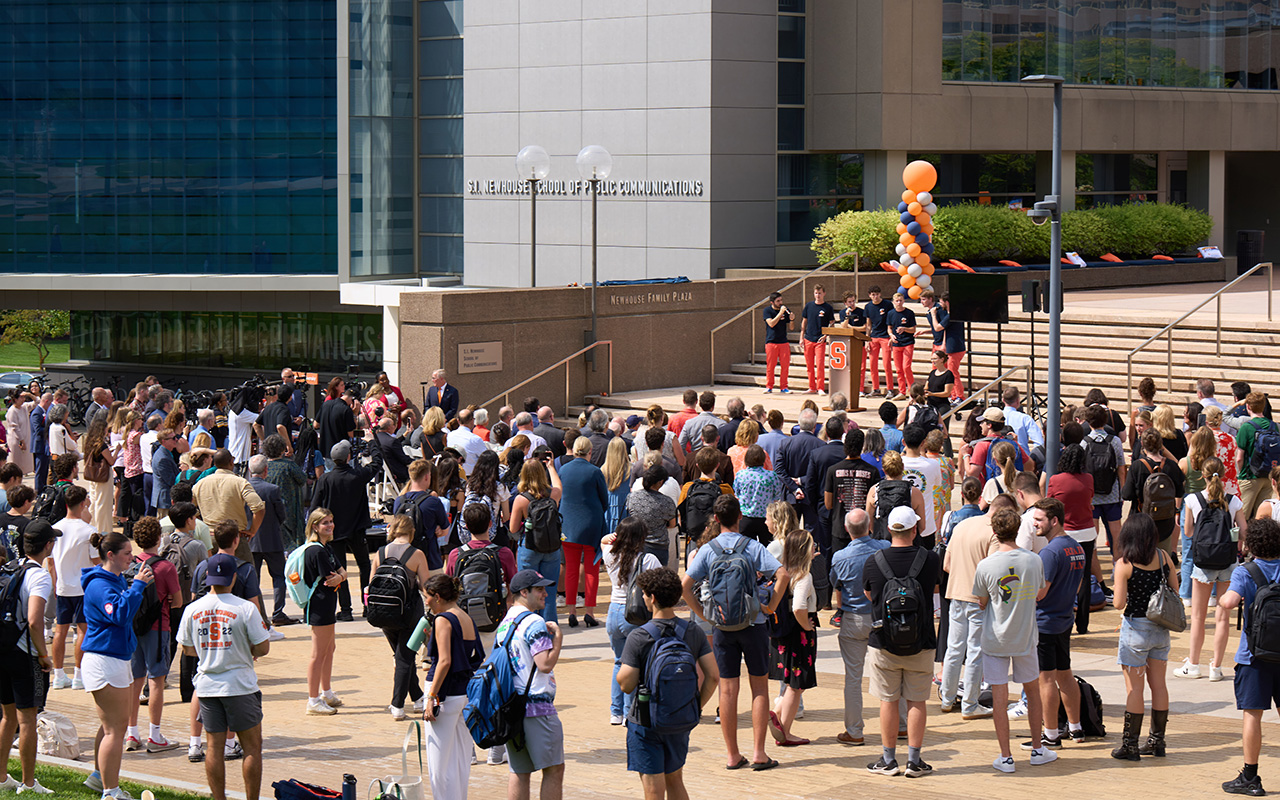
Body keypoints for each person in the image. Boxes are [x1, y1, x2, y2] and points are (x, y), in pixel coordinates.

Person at [680, 495, 786, 771]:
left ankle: (732, 755)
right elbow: (783, 574)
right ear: (739, 516)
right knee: (759, 688)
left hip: (723, 626)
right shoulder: (752, 546)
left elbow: (685, 585)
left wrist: (704, 614)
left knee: (727, 690)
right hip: (753, 624)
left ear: (716, 519)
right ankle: (760, 753)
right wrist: (771, 605)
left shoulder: (707, 549)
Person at [617, 567, 718, 800]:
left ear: (652, 598)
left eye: (644, 594)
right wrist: (695, 705)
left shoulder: (640, 636)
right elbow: (713, 676)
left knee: (653, 790)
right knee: (675, 780)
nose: (643, 598)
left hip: (646, 721)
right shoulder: (692, 631)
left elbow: (626, 684)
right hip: (680, 718)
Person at [177, 553, 269, 800]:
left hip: (207, 687)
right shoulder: (245, 608)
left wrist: (210, 649)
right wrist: (243, 648)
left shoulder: (192, 609)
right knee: (252, 748)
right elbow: (263, 647)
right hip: (240, 685)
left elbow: (187, 649)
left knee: (214, 749)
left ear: (207, 576)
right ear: (234, 577)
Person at [973, 507, 1054, 772]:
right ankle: (1038, 749)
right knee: (1032, 691)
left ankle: (1006, 756)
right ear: (1018, 529)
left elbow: (981, 601)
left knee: (999, 696)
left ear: (994, 532)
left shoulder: (986, 565)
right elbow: (1039, 592)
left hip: (995, 637)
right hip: (1026, 635)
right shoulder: (1034, 560)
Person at [862, 506, 938, 778]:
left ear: (889, 529)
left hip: (884, 641)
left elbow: (869, 592)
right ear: (915, 529)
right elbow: (936, 588)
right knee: (917, 701)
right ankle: (914, 761)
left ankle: (888, 759)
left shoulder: (874, 560)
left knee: (888, 700)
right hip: (922, 640)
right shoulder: (930, 559)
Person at [81, 532, 155, 800]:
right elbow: (121, 615)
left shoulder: (112, 580)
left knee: (112, 726)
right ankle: (110, 793)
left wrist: (133, 587)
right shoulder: (100, 586)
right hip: (104, 660)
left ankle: (100, 778)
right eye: (126, 553)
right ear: (110, 555)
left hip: (115, 658)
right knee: (116, 729)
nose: (131, 558)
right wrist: (137, 587)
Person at [1216, 519, 1280, 795]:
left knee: (1253, 715)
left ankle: (1251, 777)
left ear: (1251, 545)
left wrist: (1225, 598)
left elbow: (1228, 602)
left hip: (1254, 655)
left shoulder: (1246, 571)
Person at [939, 493, 1012, 721]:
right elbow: (991, 572)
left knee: (954, 649)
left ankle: (947, 698)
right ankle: (970, 704)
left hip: (955, 594)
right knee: (975, 652)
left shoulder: (962, 525)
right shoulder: (994, 534)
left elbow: (947, 564)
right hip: (978, 599)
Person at [1174, 457, 1248, 682]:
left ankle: (1193, 664)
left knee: (1198, 616)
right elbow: (1243, 531)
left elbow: (1187, 532)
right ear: (1223, 474)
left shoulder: (1193, 500)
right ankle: (1216, 667)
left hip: (1203, 563)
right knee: (1222, 617)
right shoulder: (1233, 501)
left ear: (1202, 475)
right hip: (1227, 561)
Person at [1110, 512, 1176, 761]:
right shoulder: (1163, 557)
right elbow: (1174, 591)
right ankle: (1157, 742)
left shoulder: (1124, 563)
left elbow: (1118, 603)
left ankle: (1130, 746)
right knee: (1159, 685)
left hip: (1135, 630)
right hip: (1161, 630)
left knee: (1134, 689)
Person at [496, 569, 565, 800]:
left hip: (512, 707)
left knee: (519, 771)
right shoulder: (534, 621)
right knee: (554, 769)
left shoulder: (506, 622)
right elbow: (544, 664)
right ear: (523, 592)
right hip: (537, 707)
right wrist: (557, 641)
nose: (545, 593)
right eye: (539, 589)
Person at [0, 519, 57, 793]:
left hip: (3, 650)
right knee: (27, 721)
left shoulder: (10, 568)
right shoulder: (40, 576)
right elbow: (35, 620)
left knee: (7, 717)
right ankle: (28, 782)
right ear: (47, 545)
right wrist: (44, 655)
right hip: (25, 655)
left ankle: (1, 778)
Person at [827, 508, 890, 746]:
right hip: (880, 617)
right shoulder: (883, 547)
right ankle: (902, 725)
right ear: (869, 525)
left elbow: (836, 583)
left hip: (853, 619)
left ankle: (854, 730)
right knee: (891, 674)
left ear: (846, 529)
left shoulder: (840, 557)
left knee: (853, 677)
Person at [1028, 498, 1087, 746]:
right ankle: (1076, 728)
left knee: (1047, 679)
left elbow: (1040, 592)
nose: (1035, 525)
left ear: (1054, 521)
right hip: (1064, 620)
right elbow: (1080, 585)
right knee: (1066, 675)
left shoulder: (1050, 553)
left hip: (1045, 622)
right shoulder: (1077, 548)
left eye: (1039, 520)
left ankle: (1051, 734)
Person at [417, 574, 482, 800]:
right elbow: (475, 655)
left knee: (438, 762)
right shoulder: (466, 617)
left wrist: (431, 696)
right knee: (461, 757)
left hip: (444, 694)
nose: (425, 602)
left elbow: (444, 661)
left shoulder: (442, 619)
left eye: (427, 597)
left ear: (437, 597)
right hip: (464, 693)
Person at [308, 439, 381, 621]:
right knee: (364, 566)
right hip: (357, 529)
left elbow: (314, 507)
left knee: (340, 569)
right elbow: (377, 463)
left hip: (334, 531)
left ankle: (346, 609)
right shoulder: (357, 475)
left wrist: (317, 528)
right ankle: (367, 605)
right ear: (349, 456)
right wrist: (372, 442)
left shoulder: (325, 479)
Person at [600, 517, 664, 726]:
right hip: (635, 614)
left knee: (619, 662)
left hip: (613, 613)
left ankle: (615, 712)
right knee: (634, 664)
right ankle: (629, 711)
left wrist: (607, 537)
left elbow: (603, 542)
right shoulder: (648, 560)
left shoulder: (610, 554)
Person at [374, 515, 434, 719]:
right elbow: (426, 585)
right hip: (408, 612)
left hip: (383, 611)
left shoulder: (380, 552)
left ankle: (417, 697)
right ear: (412, 532)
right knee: (405, 657)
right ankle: (397, 704)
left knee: (402, 657)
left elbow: (371, 581)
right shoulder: (416, 554)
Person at [767, 529, 818, 746]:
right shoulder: (803, 576)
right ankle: (784, 729)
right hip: (799, 634)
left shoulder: (782, 571)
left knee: (791, 682)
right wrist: (807, 625)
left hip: (782, 633)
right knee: (796, 684)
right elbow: (798, 607)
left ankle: (778, 714)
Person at [50, 486, 97, 691]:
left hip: (62, 587)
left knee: (60, 631)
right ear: (82, 503)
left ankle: (59, 675)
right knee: (82, 631)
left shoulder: (55, 528)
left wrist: (54, 584)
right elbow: (96, 562)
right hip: (83, 588)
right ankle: (79, 675)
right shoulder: (89, 531)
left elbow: (50, 563)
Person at [298, 509, 345, 715]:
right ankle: (313, 699)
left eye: (331, 521)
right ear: (315, 526)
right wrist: (340, 577)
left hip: (327, 604)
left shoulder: (326, 548)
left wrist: (341, 577)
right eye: (325, 523)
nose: (330, 526)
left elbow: (341, 573)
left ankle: (326, 692)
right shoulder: (316, 551)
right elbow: (330, 577)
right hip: (319, 605)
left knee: (329, 648)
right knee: (318, 654)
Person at [511, 459, 568, 624]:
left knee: (528, 592)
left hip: (529, 548)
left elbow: (514, 529)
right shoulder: (553, 494)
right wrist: (550, 467)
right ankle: (549, 630)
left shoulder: (521, 500)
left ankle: (531, 627)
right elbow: (559, 486)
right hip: (551, 547)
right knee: (548, 592)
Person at [554, 445, 606, 628]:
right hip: (591, 524)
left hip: (568, 525)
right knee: (591, 570)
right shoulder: (595, 471)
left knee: (571, 569)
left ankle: (571, 611)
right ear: (589, 452)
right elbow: (604, 500)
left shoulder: (563, 470)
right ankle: (589, 612)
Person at [193, 449, 266, 564]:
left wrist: (201, 525)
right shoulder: (240, 482)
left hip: (210, 538)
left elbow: (191, 510)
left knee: (211, 576)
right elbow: (259, 508)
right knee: (245, 575)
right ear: (231, 462)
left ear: (215, 464)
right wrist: (252, 531)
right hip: (236, 537)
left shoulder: (200, 484)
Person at [1123, 429, 1186, 552]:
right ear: (1161, 444)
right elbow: (1179, 492)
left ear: (1142, 444)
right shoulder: (1171, 466)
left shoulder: (1137, 466)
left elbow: (1127, 494)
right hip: (1165, 520)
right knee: (1163, 557)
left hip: (1142, 519)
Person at [823, 429, 880, 553]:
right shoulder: (872, 472)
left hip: (840, 528)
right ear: (862, 446)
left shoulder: (833, 470)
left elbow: (828, 504)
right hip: (864, 529)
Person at [865, 451, 926, 543]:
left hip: (882, 543)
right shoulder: (914, 492)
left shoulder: (874, 491)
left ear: (884, 470)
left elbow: (869, 524)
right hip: (907, 543)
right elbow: (922, 526)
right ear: (902, 467)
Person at [1236, 391, 1277, 520]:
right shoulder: (1275, 426)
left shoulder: (1246, 427)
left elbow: (1239, 458)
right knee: (1262, 520)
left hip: (1249, 476)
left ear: (1248, 406)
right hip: (1268, 476)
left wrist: (1240, 474)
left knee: (1241, 518)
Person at [734, 445, 784, 546]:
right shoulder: (771, 476)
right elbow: (777, 496)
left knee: (745, 550)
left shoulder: (740, 475)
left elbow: (737, 493)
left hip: (745, 517)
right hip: (766, 518)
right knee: (768, 549)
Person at [800, 284, 836, 395]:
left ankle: (820, 387)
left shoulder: (828, 308)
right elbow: (804, 321)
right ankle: (812, 387)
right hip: (808, 338)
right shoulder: (809, 306)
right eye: (816, 293)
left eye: (820, 293)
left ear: (824, 293)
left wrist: (826, 335)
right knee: (809, 365)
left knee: (819, 364)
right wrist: (801, 336)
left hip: (820, 339)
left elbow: (832, 323)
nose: (818, 295)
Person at [863, 286, 894, 398]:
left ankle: (890, 389)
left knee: (886, 364)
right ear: (869, 295)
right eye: (873, 294)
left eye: (877, 294)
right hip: (874, 337)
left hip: (885, 336)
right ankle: (876, 388)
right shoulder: (868, 307)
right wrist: (867, 339)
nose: (875, 297)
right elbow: (868, 325)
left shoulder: (887, 305)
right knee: (872, 364)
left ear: (880, 294)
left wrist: (891, 335)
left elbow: (892, 321)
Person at [886, 291, 916, 400]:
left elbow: (913, 329)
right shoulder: (890, 313)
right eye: (897, 301)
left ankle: (912, 392)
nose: (899, 303)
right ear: (893, 302)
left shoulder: (909, 313)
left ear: (903, 301)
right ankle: (901, 391)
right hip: (897, 343)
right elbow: (889, 327)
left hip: (908, 342)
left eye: (900, 300)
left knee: (906, 367)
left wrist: (905, 329)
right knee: (898, 369)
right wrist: (891, 335)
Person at [762, 291, 793, 394]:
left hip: (783, 341)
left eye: (781, 300)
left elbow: (791, 328)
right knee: (771, 365)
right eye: (778, 301)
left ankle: (784, 386)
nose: (780, 303)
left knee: (785, 366)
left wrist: (792, 320)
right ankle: (769, 386)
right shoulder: (767, 311)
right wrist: (780, 313)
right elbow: (771, 323)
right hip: (771, 342)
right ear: (772, 302)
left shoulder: (786, 310)